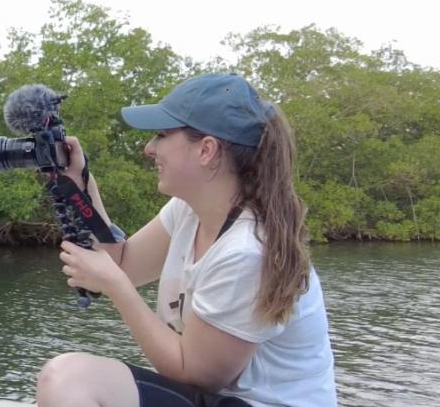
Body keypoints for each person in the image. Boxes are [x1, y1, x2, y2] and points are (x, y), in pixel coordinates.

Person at [35, 73, 337, 407]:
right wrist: (80, 182)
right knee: (67, 381)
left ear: (207, 150)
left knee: (68, 379)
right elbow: (125, 263)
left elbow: (195, 373)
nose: (149, 149)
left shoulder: (246, 251)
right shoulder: (188, 211)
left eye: (162, 135)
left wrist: (115, 287)